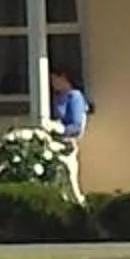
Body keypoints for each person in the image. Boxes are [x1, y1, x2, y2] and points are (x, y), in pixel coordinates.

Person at [48, 68, 91, 202]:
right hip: (52, 144)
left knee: (70, 183)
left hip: (67, 144)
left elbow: (76, 126)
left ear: (64, 77)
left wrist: (59, 130)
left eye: (55, 78)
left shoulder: (74, 97)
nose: (52, 82)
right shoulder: (55, 98)